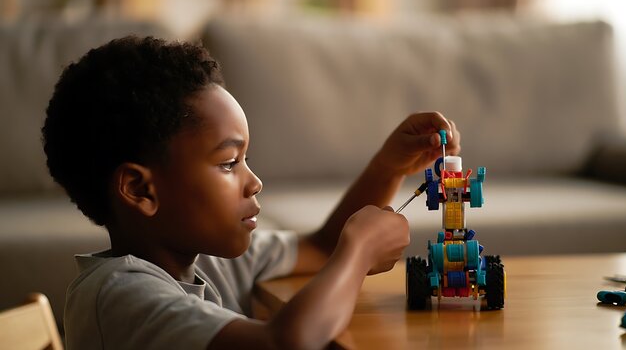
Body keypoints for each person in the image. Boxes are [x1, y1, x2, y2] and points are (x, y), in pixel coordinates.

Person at [42, 35, 460, 350]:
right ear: (139, 189)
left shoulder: (207, 261)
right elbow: (288, 342)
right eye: (228, 162)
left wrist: (389, 166)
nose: (254, 181)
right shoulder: (119, 296)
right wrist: (358, 253)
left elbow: (322, 246)